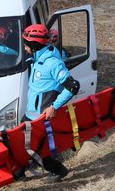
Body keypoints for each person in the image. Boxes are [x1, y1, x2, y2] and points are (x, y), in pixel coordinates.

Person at [21, 24, 80, 182]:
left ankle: (59, 170)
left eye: (26, 44)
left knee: (37, 148)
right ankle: (21, 170)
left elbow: (73, 86)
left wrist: (54, 106)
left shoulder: (52, 63)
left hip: (41, 117)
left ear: (34, 45)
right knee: (21, 143)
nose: (24, 46)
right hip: (30, 113)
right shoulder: (37, 59)